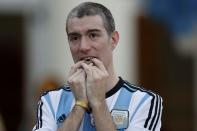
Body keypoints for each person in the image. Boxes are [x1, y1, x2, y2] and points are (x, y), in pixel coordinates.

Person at [33, 2, 163, 131]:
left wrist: (99, 102)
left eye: (93, 35)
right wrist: (80, 105)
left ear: (113, 40)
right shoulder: (50, 100)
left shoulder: (145, 101)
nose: (83, 47)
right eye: (75, 37)